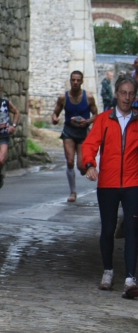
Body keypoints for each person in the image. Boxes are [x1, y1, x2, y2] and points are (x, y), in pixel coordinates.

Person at [81, 76, 138, 296]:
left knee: (132, 229)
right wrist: (89, 165)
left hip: (133, 183)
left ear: (135, 96)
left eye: (131, 93)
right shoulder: (104, 120)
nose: (127, 97)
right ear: (116, 94)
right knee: (107, 229)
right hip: (108, 183)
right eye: (123, 93)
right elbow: (90, 145)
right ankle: (108, 271)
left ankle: (130, 279)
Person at [51, 71, 98, 202]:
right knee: (70, 161)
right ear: (70, 81)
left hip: (83, 133)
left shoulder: (88, 97)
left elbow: (96, 115)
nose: (75, 82)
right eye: (73, 80)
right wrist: (54, 119)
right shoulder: (63, 97)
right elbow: (55, 113)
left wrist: (87, 121)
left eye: (78, 80)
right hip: (69, 132)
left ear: (82, 81)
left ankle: (83, 170)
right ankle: (73, 192)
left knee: (82, 167)